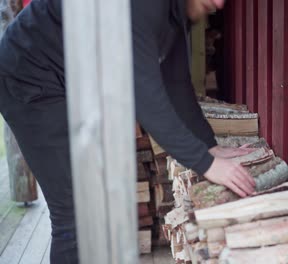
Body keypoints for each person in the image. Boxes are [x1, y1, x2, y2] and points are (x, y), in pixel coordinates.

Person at [0, 0, 256, 263]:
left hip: (67, 83)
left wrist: (208, 145)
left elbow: (176, 83)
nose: (220, 3)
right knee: (75, 214)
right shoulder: (145, 6)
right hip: (30, 77)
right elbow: (146, 96)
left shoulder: (174, 13)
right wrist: (206, 163)